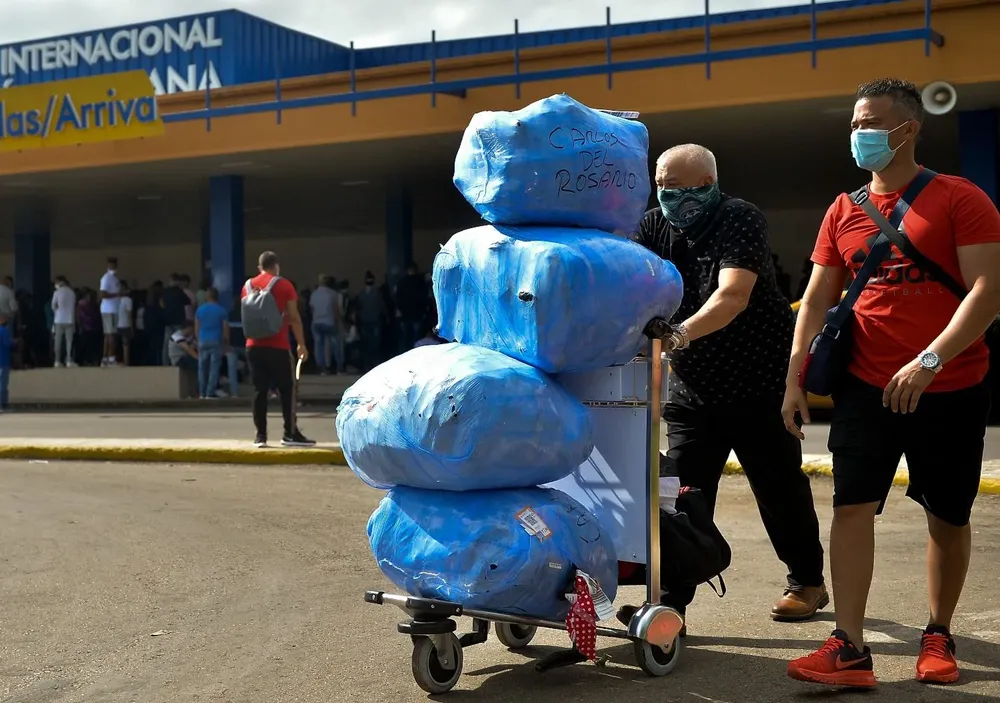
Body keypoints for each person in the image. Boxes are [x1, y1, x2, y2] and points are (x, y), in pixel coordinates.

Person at [784, 79, 1000, 688]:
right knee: (851, 507)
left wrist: (930, 360)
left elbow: (988, 291)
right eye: (855, 124)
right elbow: (816, 300)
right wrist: (795, 378)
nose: (860, 134)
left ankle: (938, 633)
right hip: (863, 385)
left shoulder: (960, 197)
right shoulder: (843, 209)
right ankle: (849, 647)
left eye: (872, 123)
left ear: (909, 129)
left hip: (950, 385)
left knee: (947, 515)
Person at [630, 143, 828, 628]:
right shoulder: (653, 225)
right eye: (662, 186)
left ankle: (806, 582)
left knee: (778, 489)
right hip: (692, 388)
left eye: (681, 187)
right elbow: (632, 284)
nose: (671, 196)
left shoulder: (739, 217)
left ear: (709, 184)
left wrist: (678, 335)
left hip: (758, 381)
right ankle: (671, 602)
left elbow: (733, 294)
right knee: (680, 493)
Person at [241, 251, 315, 448]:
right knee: (287, 389)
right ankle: (290, 434)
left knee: (259, 390)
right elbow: (294, 317)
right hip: (278, 346)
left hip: (253, 346)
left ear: (259, 267)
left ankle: (260, 436)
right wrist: (301, 344)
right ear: (276, 266)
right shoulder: (284, 285)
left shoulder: (247, 286)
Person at [195, 287, 230, 399]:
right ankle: (209, 393)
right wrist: (226, 342)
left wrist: (198, 339)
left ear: (207, 296)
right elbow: (225, 328)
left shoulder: (200, 310)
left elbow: (197, 327)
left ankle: (201, 392)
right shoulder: (221, 310)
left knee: (202, 368)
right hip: (216, 340)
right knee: (214, 368)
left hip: (202, 340)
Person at [309, 274, 340, 375]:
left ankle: (321, 368)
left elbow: (312, 309)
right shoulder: (332, 293)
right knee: (335, 344)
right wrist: (337, 321)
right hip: (329, 321)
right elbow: (335, 310)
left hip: (317, 322)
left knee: (319, 346)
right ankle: (338, 367)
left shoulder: (314, 294)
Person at [161, 275, 189, 366]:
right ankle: (178, 362)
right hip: (178, 320)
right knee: (179, 341)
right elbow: (188, 302)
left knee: (166, 344)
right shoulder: (179, 291)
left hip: (167, 320)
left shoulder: (165, 291)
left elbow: (161, 302)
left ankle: (165, 363)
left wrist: (165, 309)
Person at [98, 257, 120, 367]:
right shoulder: (106, 278)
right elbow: (102, 294)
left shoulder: (115, 278)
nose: (113, 267)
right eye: (111, 265)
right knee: (111, 335)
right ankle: (111, 358)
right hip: (108, 310)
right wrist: (118, 295)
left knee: (109, 335)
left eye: (114, 265)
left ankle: (105, 359)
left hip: (114, 309)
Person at [51, 276, 77, 368]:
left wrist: (57, 312)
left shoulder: (57, 292)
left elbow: (53, 306)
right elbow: (73, 306)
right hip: (69, 319)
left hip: (59, 320)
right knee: (69, 341)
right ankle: (69, 360)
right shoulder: (72, 293)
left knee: (58, 341)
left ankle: (57, 361)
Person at [117, 280, 134, 366]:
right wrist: (132, 328)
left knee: (117, 347)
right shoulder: (128, 300)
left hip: (116, 325)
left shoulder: (114, 300)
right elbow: (129, 315)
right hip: (125, 325)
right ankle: (126, 363)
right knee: (126, 346)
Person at [0, 313, 11, 411]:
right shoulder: (3, 331)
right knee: (3, 384)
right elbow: (7, 343)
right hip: (3, 361)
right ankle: (2, 405)